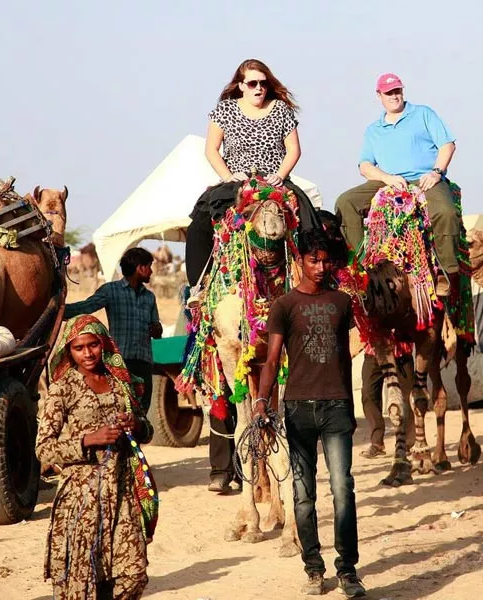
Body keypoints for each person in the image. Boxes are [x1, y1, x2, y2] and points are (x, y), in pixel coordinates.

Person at [255, 228, 366, 598]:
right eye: (312, 260)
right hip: (298, 408)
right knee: (303, 496)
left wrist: (350, 405)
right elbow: (271, 360)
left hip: (336, 407)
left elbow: (348, 354)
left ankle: (348, 571)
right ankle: (314, 569)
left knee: (342, 489)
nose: (320, 267)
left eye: (325, 260)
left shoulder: (341, 302)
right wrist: (260, 401)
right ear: (299, 260)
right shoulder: (284, 305)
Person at [36, 315, 157, 600]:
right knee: (84, 580)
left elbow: (147, 430)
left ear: (104, 344)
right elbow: (43, 449)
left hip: (122, 493)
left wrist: (136, 426)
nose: (88, 353)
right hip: (82, 499)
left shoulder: (120, 384)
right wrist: (87, 440)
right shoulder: (62, 390)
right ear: (69, 351)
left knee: (133, 575)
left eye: (93, 345)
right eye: (79, 348)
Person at [186, 58, 321, 288]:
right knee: (199, 222)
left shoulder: (280, 110)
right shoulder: (225, 110)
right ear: (240, 85)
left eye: (263, 83)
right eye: (252, 83)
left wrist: (280, 175)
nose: (259, 88)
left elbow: (293, 150)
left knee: (311, 223)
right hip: (237, 180)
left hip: (273, 180)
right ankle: (199, 286)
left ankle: (317, 282)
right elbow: (211, 150)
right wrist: (228, 176)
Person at [335, 72, 460, 296]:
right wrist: (387, 178)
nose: (394, 96)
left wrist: (436, 172)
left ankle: (445, 271)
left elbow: (447, 145)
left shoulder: (423, 114)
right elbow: (364, 165)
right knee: (346, 202)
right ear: (379, 95)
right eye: (389, 92)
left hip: (423, 179)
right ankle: (362, 265)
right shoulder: (374, 130)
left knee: (445, 211)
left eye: (397, 91)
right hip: (390, 182)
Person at [65, 247, 162, 414]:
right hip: (119, 362)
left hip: (144, 363)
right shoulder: (111, 291)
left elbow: (157, 331)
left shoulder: (149, 297)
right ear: (140, 268)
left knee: (141, 414)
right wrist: (59, 311)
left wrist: (156, 328)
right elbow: (86, 307)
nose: (151, 271)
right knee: (119, 410)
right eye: (149, 266)